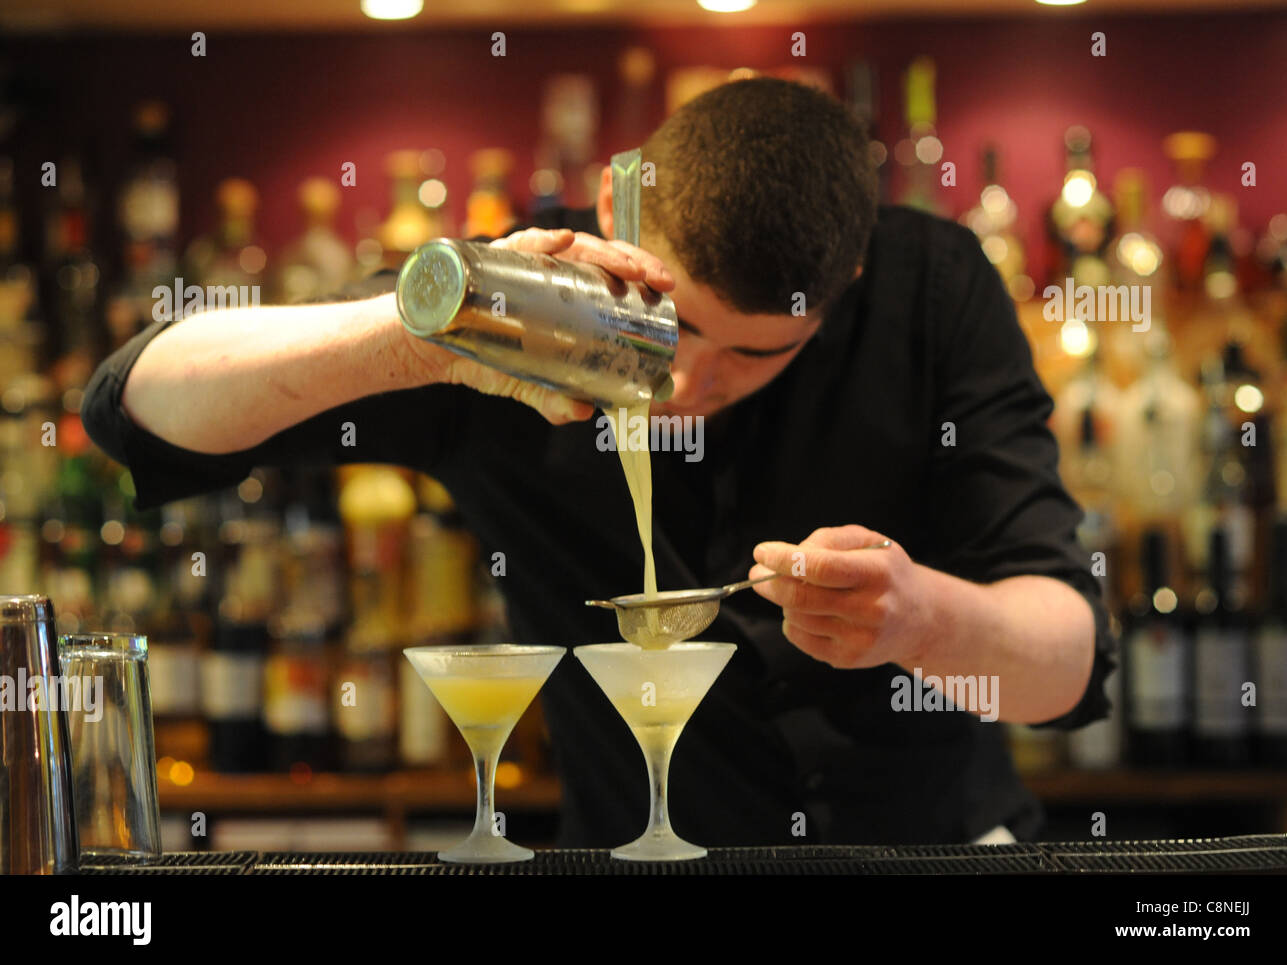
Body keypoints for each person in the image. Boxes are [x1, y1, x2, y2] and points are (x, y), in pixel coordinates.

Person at [83, 77, 1116, 846]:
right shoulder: (518, 294)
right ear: (622, 210)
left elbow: (1065, 664)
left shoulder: (933, 292)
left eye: (748, 353)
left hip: (936, 854)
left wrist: (921, 618)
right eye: (663, 321)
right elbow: (136, 408)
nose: (680, 380)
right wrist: (421, 336)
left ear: (848, 277)